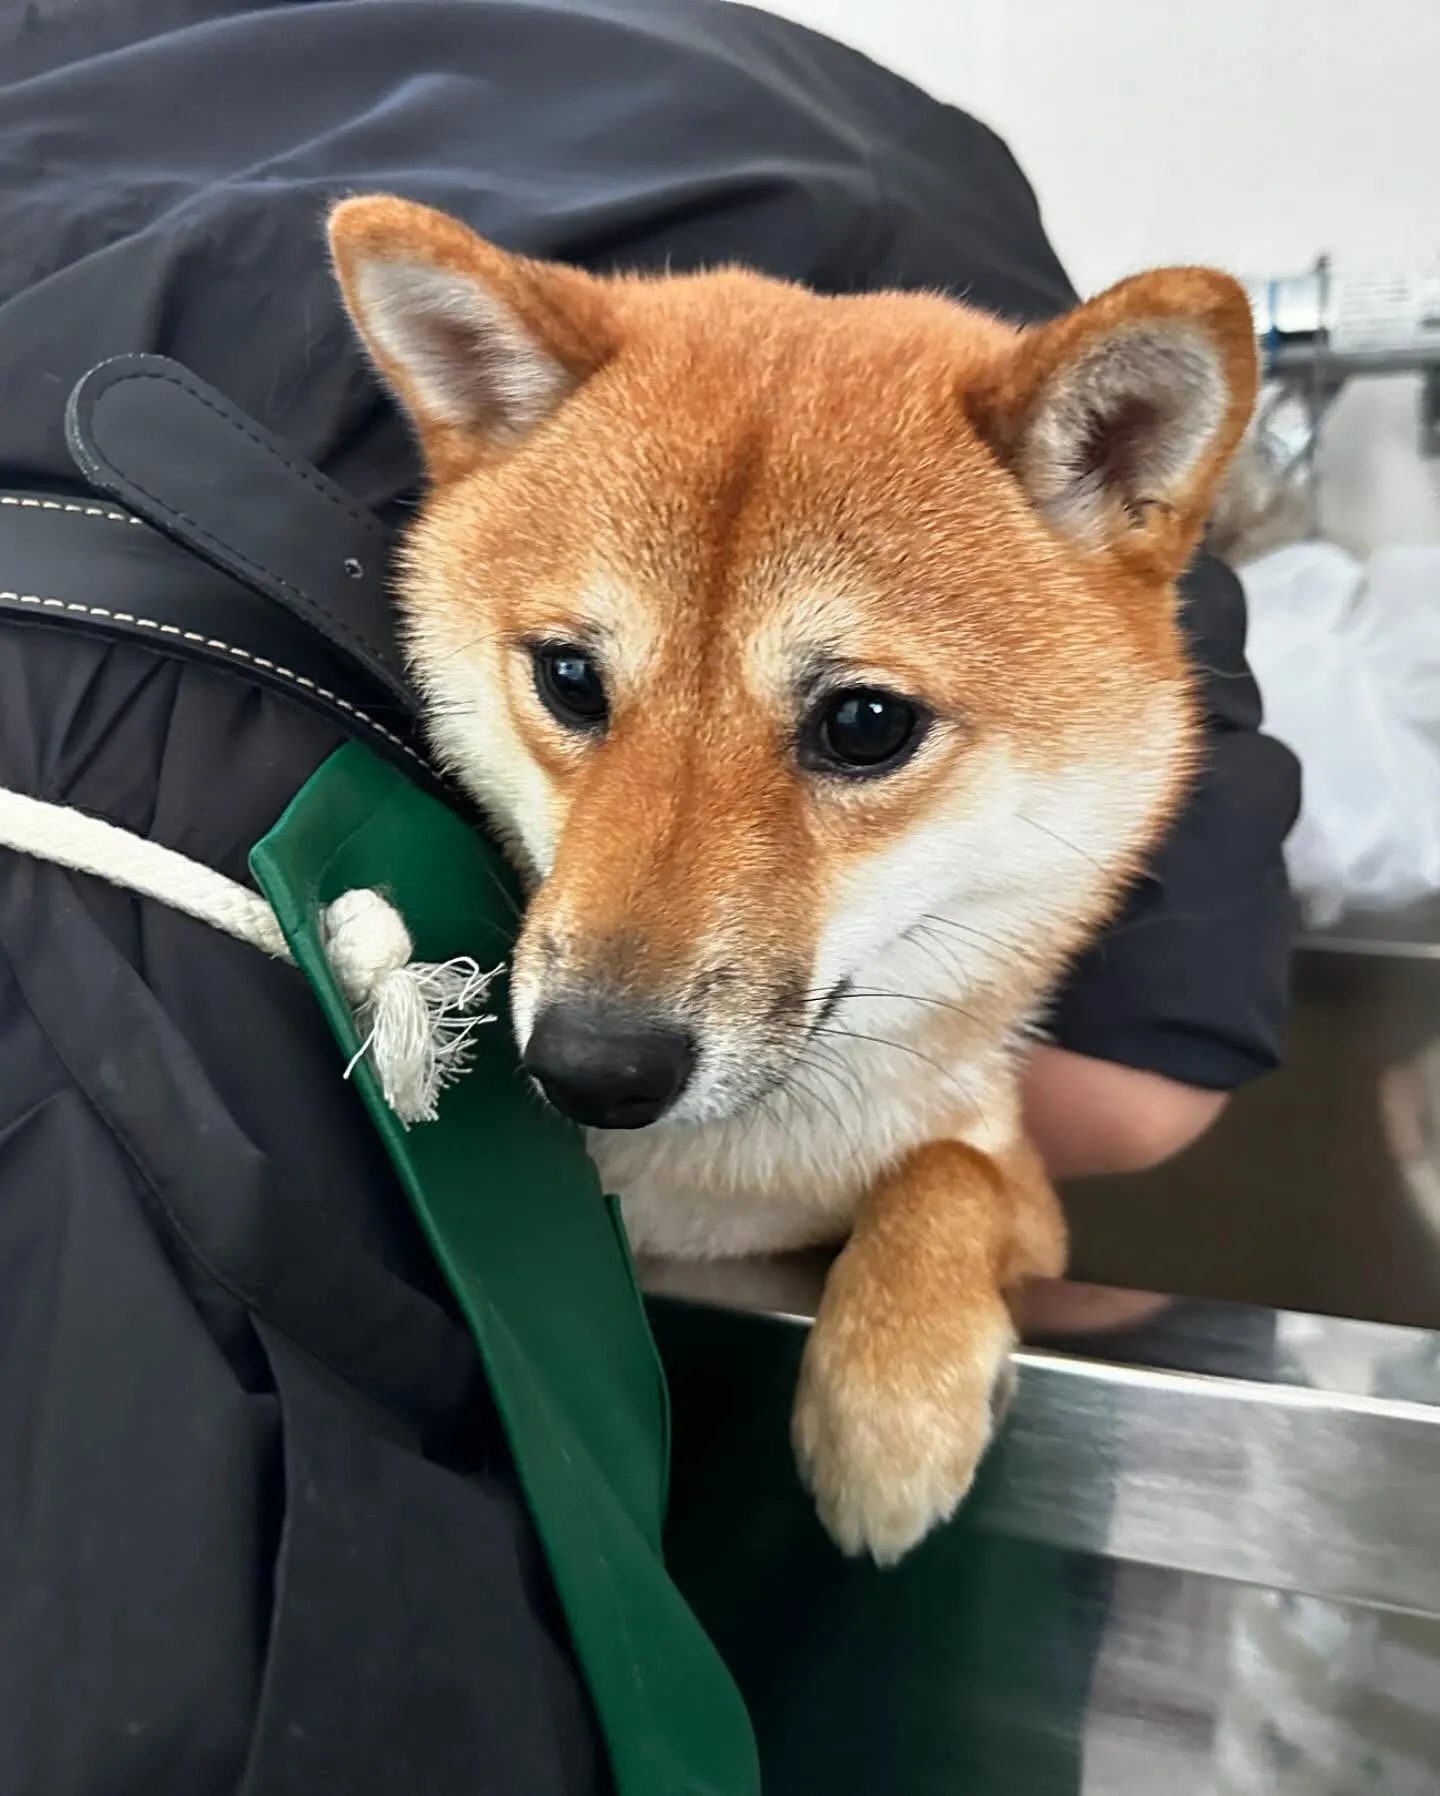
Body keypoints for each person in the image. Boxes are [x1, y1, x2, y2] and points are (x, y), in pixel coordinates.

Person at [0, 1, 1300, 1791]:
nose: (627, 936)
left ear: (1121, 458)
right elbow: (1145, 1096)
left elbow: (1000, 1104)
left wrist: (933, 1226)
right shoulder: (833, 167)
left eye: (856, 728)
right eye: (576, 690)